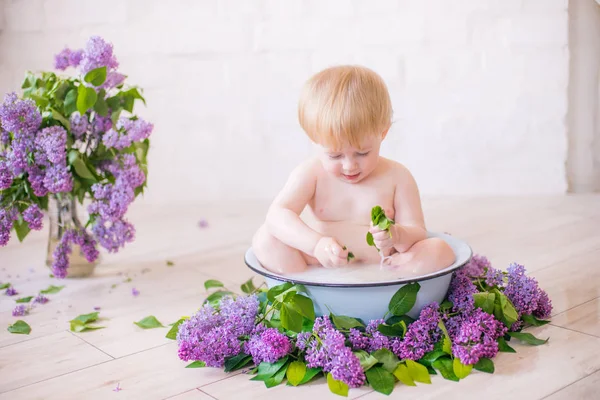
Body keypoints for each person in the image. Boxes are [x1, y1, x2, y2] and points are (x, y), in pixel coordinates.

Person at [252, 65, 455, 275]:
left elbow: (418, 232)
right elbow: (277, 215)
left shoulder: (397, 177)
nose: (350, 166)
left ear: (383, 133)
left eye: (363, 153)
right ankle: (302, 288)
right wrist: (315, 245)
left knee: (440, 250)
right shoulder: (311, 173)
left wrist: (397, 235)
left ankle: (396, 282)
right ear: (314, 139)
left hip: (387, 265)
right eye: (335, 156)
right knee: (265, 239)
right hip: (319, 264)